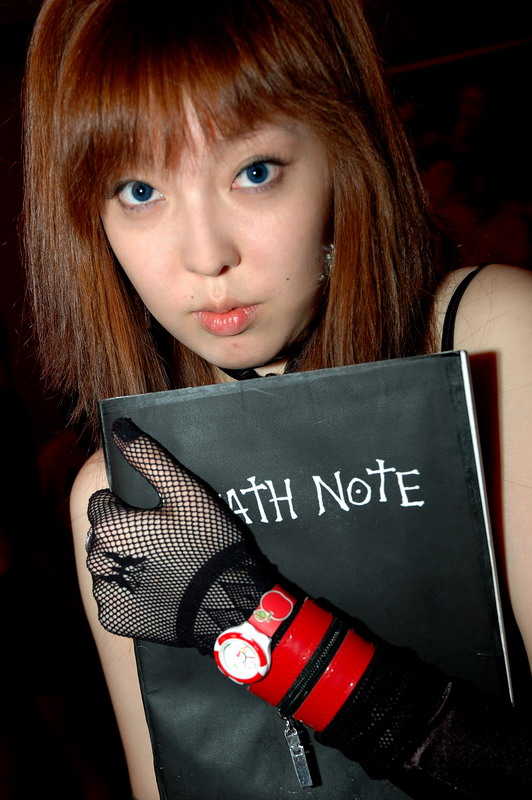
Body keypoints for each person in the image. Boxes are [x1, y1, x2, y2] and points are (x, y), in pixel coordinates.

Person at [23, 1, 532, 798]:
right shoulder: (120, 497)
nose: (206, 256)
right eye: (139, 189)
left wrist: (254, 622)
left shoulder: (490, 340)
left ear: (341, 153)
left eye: (254, 171)